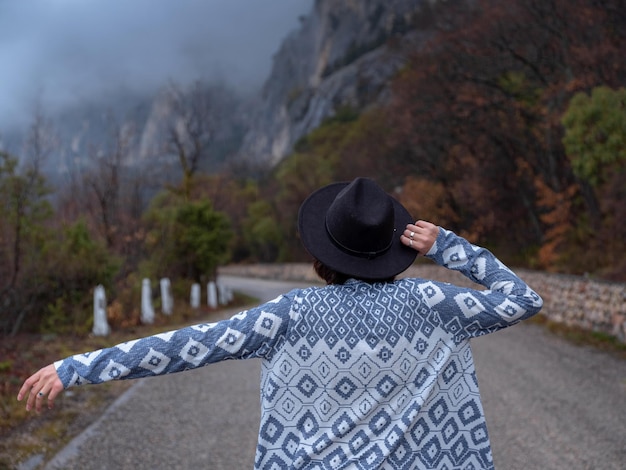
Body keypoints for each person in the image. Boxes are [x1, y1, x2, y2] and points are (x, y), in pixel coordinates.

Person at [18, 177, 543, 469]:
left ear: (321, 251)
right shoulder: (435, 304)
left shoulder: (289, 315)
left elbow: (185, 345)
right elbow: (523, 299)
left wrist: (79, 366)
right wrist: (447, 246)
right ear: (394, 248)